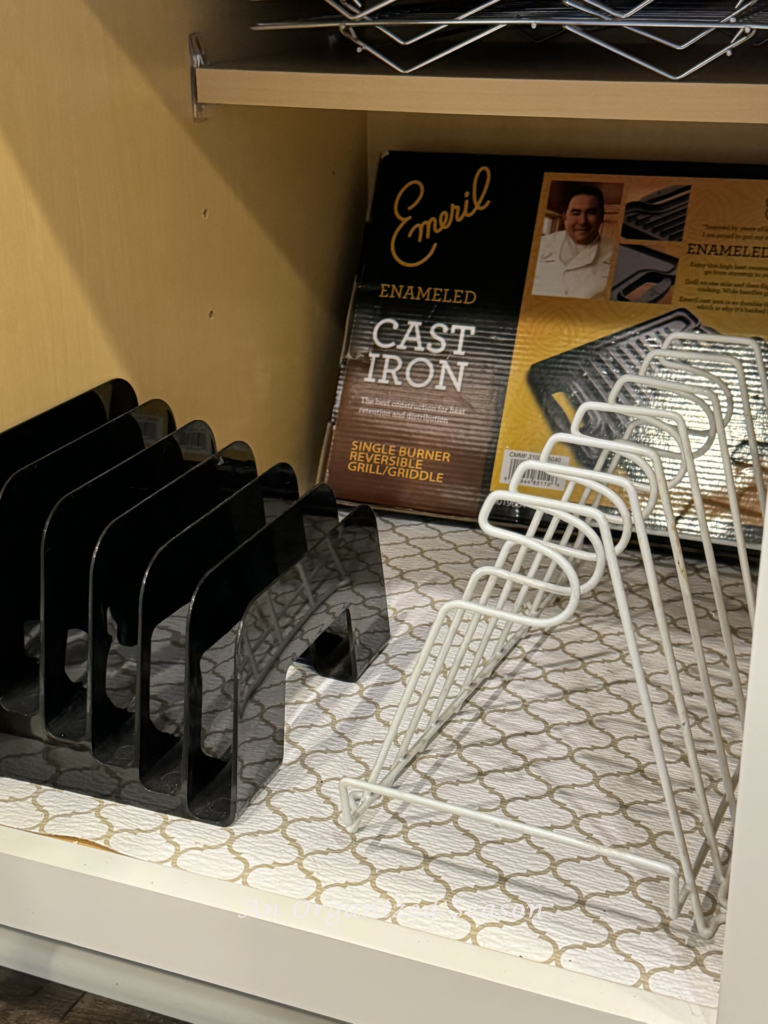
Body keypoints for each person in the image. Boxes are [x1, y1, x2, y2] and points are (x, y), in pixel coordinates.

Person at [532, 186, 615, 300]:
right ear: (565, 216)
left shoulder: (616, 253)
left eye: (591, 213)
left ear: (601, 217)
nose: (582, 221)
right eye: (575, 213)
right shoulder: (540, 245)